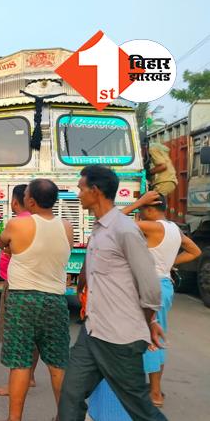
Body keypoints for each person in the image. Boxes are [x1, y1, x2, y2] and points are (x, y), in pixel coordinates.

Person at [58, 165, 167, 421]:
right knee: (71, 396)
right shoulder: (100, 227)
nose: (78, 194)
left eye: (81, 188)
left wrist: (149, 320)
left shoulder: (125, 230)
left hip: (120, 339)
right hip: (93, 331)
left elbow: (150, 287)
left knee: (140, 408)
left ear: (95, 191)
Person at [87, 192, 201, 419]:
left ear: (150, 208)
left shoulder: (151, 227)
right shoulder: (173, 229)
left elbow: (111, 223)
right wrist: (169, 264)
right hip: (164, 285)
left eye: (142, 208)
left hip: (148, 286)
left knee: (146, 338)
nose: (139, 212)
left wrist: (137, 202)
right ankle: (155, 390)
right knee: (157, 335)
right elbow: (195, 251)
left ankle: (154, 392)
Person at [0, 179, 74, 421]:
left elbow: (3, 243)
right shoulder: (67, 227)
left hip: (23, 299)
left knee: (20, 362)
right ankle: (64, 416)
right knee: (58, 363)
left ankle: (14, 418)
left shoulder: (18, 225)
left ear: (30, 201)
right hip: (55, 300)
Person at [0, 184, 38, 396]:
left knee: (16, 337)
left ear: (16, 201)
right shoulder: (44, 222)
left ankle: (15, 384)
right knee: (34, 336)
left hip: (17, 285)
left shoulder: (17, 223)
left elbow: (2, 243)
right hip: (38, 285)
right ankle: (31, 376)